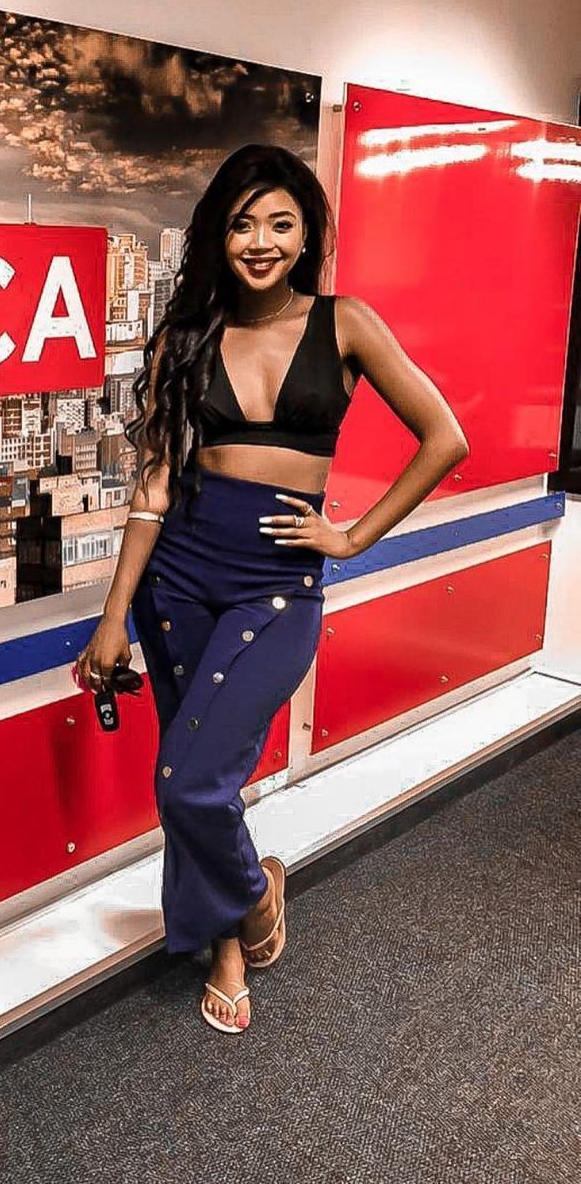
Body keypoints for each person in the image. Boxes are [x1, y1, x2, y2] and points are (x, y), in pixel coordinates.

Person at [75, 144, 469, 1034]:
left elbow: (445, 436)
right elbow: (153, 485)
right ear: (219, 235)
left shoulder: (346, 323)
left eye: (280, 224)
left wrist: (352, 537)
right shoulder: (185, 336)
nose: (260, 241)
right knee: (192, 769)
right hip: (178, 577)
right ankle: (225, 944)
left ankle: (256, 898)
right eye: (242, 223)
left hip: (277, 584)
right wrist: (113, 617)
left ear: (306, 236)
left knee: (190, 784)